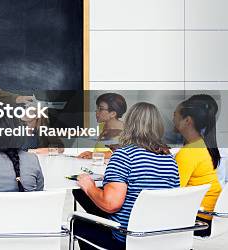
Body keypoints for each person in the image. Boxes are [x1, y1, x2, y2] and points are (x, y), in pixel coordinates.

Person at [73, 102, 180, 250]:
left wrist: (89, 185)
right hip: (158, 237)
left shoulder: (124, 155)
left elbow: (111, 205)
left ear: (129, 125)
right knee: (81, 195)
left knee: (79, 222)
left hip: (126, 238)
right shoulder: (169, 160)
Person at [173, 94, 222, 237]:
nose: (172, 119)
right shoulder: (202, 143)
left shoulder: (188, 152)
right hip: (211, 217)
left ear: (187, 120)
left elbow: (172, 190)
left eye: (175, 115)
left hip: (200, 220)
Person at [79, 93, 127, 159]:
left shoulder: (125, 131)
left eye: (101, 109)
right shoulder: (102, 126)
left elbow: (119, 153)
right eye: (97, 108)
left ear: (113, 114)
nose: (96, 111)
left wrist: (93, 154)